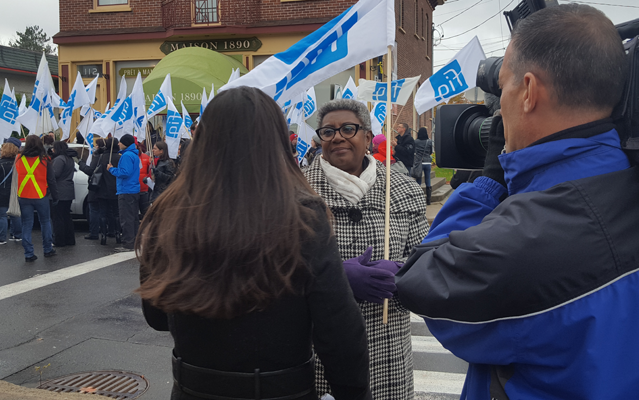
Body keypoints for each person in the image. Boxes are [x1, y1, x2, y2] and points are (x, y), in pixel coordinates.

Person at [396, 5, 639, 400]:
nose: (501, 107)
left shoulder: (531, 236)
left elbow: (421, 280)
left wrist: (489, 180)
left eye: (503, 89)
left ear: (530, 91)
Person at [138, 86, 371, 400]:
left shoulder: (166, 213)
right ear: (275, 143)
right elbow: (339, 333)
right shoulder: (304, 217)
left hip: (193, 389)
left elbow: (156, 317)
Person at [303, 99, 429, 400]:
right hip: (321, 355)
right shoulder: (298, 191)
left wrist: (402, 275)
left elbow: (427, 261)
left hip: (388, 353)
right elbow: (277, 271)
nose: (338, 137)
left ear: (368, 136)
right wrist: (334, 280)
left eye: (348, 128)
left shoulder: (403, 188)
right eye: (328, 132)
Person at [16, 135, 57, 261]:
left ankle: (28, 253)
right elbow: (51, 180)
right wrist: (55, 196)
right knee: (45, 222)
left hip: (23, 195)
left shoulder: (18, 158)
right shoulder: (45, 159)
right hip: (41, 194)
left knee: (26, 224)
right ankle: (47, 249)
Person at [80, 138, 121, 244]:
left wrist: (82, 165)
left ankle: (103, 236)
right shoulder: (120, 157)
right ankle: (117, 234)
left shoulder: (101, 157)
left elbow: (92, 171)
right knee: (115, 213)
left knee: (102, 213)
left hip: (102, 189)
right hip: (116, 188)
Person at [107, 134, 140, 252]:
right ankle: (135, 241)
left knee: (126, 218)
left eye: (120, 142)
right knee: (133, 217)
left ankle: (128, 243)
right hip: (133, 189)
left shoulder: (126, 156)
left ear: (125, 143)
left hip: (126, 190)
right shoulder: (134, 155)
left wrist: (111, 169)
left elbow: (125, 172)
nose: (118, 144)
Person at [51, 141, 77, 247]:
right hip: (68, 190)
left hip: (59, 191)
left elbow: (55, 174)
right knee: (66, 216)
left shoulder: (59, 159)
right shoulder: (69, 159)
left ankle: (59, 240)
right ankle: (70, 239)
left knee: (58, 217)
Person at [0, 143, 22, 244]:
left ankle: (2, 238)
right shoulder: (19, 162)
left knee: (3, 216)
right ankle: (17, 235)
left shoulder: (1, 163)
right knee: (15, 214)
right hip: (16, 191)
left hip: (2, 191)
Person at [413, 127, 433, 204]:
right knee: (428, 180)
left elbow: (414, 151)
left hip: (419, 162)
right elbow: (431, 151)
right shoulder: (429, 141)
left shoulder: (416, 142)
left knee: (419, 180)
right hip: (427, 162)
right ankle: (428, 200)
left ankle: (419, 199)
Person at [136, 141, 151, 218]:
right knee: (145, 212)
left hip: (135, 188)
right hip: (144, 187)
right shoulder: (147, 157)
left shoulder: (128, 156)